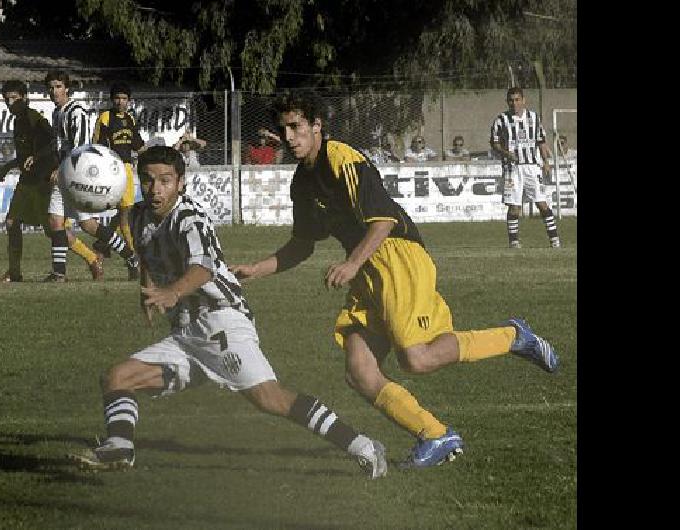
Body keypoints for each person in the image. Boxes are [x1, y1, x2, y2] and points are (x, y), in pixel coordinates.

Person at [231, 91, 560, 469]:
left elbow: (384, 220)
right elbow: (302, 245)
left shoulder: (342, 159)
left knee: (416, 359)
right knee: (359, 371)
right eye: (283, 129)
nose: (289, 137)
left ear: (317, 126)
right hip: (369, 267)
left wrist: (352, 264)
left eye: (296, 127)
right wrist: (257, 269)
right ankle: (435, 434)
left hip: (396, 256)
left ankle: (514, 337)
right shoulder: (301, 184)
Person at [68, 146, 387, 479]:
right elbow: (148, 256)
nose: (155, 189)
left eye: (165, 180)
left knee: (271, 399)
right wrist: (146, 294)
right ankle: (119, 446)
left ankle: (364, 446)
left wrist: (171, 292)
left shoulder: (189, 218)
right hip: (187, 335)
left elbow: (202, 269)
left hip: (221, 323)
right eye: (148, 181)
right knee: (117, 377)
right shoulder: (137, 216)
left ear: (181, 182)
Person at [0, 80, 99, 282]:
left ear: (25, 98)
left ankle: (92, 258)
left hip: (41, 180)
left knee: (54, 231)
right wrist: (8, 166)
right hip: (26, 181)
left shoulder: (35, 119)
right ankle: (14, 272)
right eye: (7, 99)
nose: (10, 103)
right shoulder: (18, 121)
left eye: (14, 98)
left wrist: (43, 162)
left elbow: (53, 144)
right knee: (11, 222)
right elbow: (26, 154)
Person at [43, 70, 139, 282]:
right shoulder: (57, 112)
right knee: (56, 222)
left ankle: (131, 257)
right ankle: (59, 273)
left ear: (67, 88)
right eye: (50, 87)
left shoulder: (76, 112)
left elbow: (80, 146)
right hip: (64, 174)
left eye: (58, 86)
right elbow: (59, 144)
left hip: (76, 175)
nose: (53, 91)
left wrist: (61, 168)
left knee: (88, 226)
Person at [490, 87, 561, 249]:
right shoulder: (501, 120)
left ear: (523, 100)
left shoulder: (534, 118)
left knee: (542, 203)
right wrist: (506, 153)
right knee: (514, 206)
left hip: (532, 167)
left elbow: (541, 141)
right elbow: (494, 143)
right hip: (512, 169)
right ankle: (514, 242)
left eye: (517, 100)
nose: (514, 103)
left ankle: (554, 239)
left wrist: (546, 162)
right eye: (511, 100)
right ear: (507, 102)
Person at [91, 81, 147, 281]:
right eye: (117, 98)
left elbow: (137, 144)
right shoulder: (105, 118)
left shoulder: (130, 118)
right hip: (112, 168)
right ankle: (133, 257)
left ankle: (103, 243)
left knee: (125, 212)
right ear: (112, 99)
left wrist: (153, 155)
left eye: (124, 99)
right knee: (125, 214)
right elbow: (97, 144)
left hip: (127, 168)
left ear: (129, 101)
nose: (120, 102)